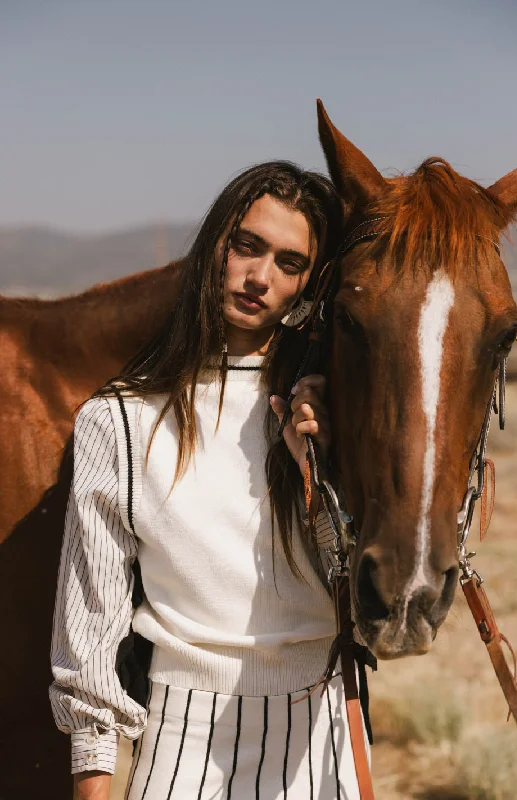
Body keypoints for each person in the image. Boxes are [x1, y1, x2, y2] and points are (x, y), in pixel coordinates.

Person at [50, 161, 365, 799]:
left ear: (309, 283)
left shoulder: (333, 415)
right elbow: (90, 625)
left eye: (289, 262)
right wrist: (93, 780)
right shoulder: (120, 421)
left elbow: (369, 598)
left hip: (324, 735)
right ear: (214, 245)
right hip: (179, 740)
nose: (260, 277)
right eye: (247, 246)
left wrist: (318, 472)